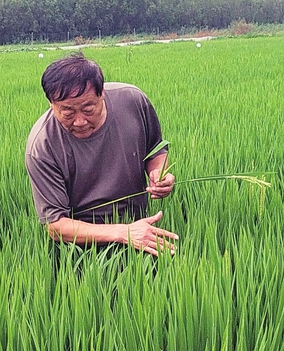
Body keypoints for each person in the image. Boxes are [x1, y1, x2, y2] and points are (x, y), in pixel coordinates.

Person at [25, 52, 178, 256]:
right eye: (68, 112)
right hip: (82, 246)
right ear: (51, 104)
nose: (79, 121)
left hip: (140, 227)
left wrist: (159, 174)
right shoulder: (43, 145)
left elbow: (156, 149)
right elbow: (55, 225)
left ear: (102, 94)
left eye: (88, 108)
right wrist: (124, 233)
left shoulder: (132, 101)